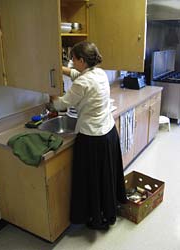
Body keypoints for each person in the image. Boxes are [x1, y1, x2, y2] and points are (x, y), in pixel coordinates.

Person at [50, 41, 127, 230]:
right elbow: (79, 77)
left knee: (92, 179)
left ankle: (96, 218)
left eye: (73, 59)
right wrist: (61, 69)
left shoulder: (83, 82)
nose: (71, 62)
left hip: (92, 138)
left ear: (82, 60)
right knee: (105, 177)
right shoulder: (99, 73)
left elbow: (61, 105)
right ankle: (107, 212)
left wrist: (50, 92)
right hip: (108, 133)